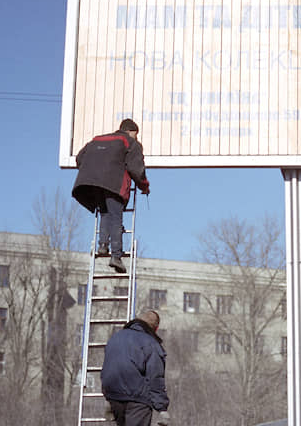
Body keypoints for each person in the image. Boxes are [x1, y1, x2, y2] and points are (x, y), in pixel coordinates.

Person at [72, 118, 150, 273]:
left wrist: (95, 170)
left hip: (93, 182)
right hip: (113, 182)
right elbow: (136, 169)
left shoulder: (97, 139)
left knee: (105, 212)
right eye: (136, 134)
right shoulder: (129, 142)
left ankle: (102, 245)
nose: (137, 138)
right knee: (116, 216)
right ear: (130, 131)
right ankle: (116, 256)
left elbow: (80, 158)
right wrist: (144, 186)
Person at [101, 310, 170, 426]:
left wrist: (108, 398)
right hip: (138, 400)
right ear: (156, 328)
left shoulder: (115, 338)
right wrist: (162, 409)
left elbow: (108, 368)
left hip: (115, 398)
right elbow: (155, 377)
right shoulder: (150, 343)